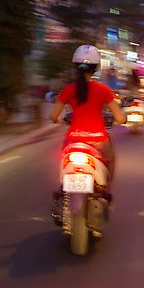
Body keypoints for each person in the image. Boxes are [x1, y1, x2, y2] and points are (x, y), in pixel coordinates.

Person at [49, 45, 127, 198]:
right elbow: (119, 117)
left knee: (63, 157)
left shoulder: (68, 90)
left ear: (75, 67)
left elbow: (53, 116)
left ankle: (62, 186)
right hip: (98, 141)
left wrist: (62, 121)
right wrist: (119, 121)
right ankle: (104, 189)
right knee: (110, 158)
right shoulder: (103, 89)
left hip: (73, 141)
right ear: (96, 68)